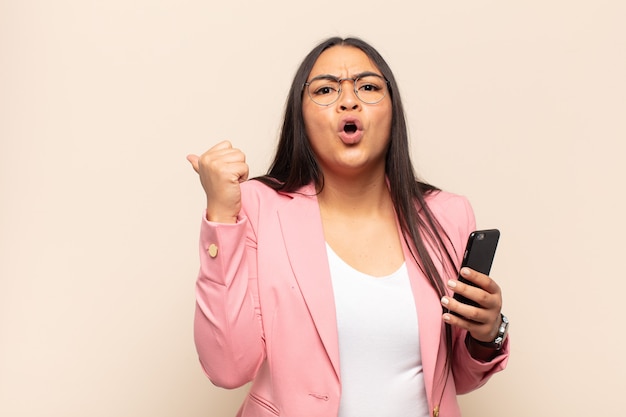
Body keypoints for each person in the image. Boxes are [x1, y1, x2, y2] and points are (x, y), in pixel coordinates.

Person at [187, 37, 509, 417]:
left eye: (368, 87)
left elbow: (457, 378)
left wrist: (487, 334)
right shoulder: (258, 206)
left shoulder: (447, 215)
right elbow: (228, 367)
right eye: (325, 89)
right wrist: (222, 216)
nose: (348, 101)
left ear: (393, 110)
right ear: (300, 117)